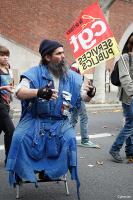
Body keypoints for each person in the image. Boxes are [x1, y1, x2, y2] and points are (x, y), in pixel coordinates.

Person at [6, 39, 95, 199]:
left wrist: (89, 93)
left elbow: (82, 97)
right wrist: (38, 92)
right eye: (59, 53)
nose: (63, 56)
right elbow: (19, 92)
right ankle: (22, 171)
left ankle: (51, 172)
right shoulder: (34, 73)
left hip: (60, 121)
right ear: (47, 57)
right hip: (35, 119)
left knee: (69, 138)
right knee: (19, 137)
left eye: (63, 52)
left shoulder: (72, 76)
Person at [109, 35, 133, 163]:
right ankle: (115, 148)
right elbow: (124, 78)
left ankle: (130, 152)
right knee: (130, 124)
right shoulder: (125, 58)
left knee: (131, 124)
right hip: (128, 97)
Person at [70, 62, 99, 148]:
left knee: (74, 119)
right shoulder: (75, 66)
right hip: (76, 95)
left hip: (77, 95)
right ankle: (84, 140)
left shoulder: (78, 67)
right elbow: (73, 80)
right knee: (82, 117)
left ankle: (69, 138)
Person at [0, 45, 15, 164]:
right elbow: (5, 86)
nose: (5, 57)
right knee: (10, 130)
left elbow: (11, 82)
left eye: (6, 55)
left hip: (6, 102)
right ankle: (9, 158)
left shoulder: (8, 67)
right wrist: (4, 87)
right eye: (2, 55)